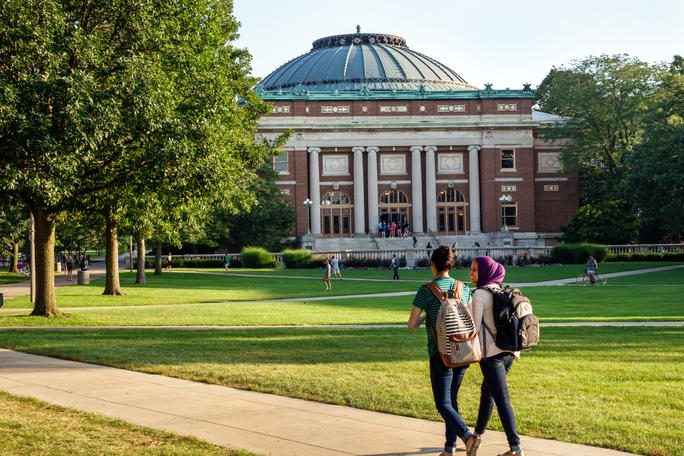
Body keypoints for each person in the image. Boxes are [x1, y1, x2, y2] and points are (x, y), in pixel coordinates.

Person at [408, 246, 478, 456]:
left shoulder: (426, 290)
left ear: (432, 265)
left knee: (442, 403)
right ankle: (449, 448)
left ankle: (467, 437)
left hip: (440, 352)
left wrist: (426, 317)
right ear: (450, 265)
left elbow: (411, 324)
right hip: (463, 349)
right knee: (452, 400)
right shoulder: (462, 287)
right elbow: (470, 315)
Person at [468, 256, 523, 456]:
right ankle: (476, 436)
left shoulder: (480, 295)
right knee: (487, 392)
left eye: (474, 270)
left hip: (492, 356)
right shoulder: (500, 290)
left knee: (502, 399)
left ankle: (516, 448)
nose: (471, 273)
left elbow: (472, 328)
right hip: (509, 353)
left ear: (483, 272)